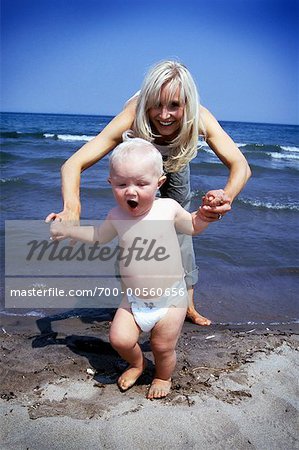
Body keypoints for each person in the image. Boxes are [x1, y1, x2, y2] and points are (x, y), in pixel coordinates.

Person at [46, 60, 251, 326]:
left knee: (180, 226)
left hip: (175, 160)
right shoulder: (131, 117)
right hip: (138, 162)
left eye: (174, 106)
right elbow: (73, 164)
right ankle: (131, 300)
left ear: (187, 104)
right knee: (131, 224)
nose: (164, 115)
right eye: (157, 104)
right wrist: (72, 208)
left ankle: (187, 304)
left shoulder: (199, 117)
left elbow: (241, 166)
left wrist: (226, 197)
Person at [50, 138, 221, 399]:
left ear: (159, 183)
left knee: (162, 347)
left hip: (171, 298)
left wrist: (206, 215)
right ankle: (137, 363)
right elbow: (98, 235)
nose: (131, 192)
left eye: (141, 184)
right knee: (119, 339)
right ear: (111, 184)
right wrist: (68, 229)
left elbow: (193, 226)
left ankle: (163, 376)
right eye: (122, 184)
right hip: (134, 299)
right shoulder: (115, 216)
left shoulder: (168, 208)